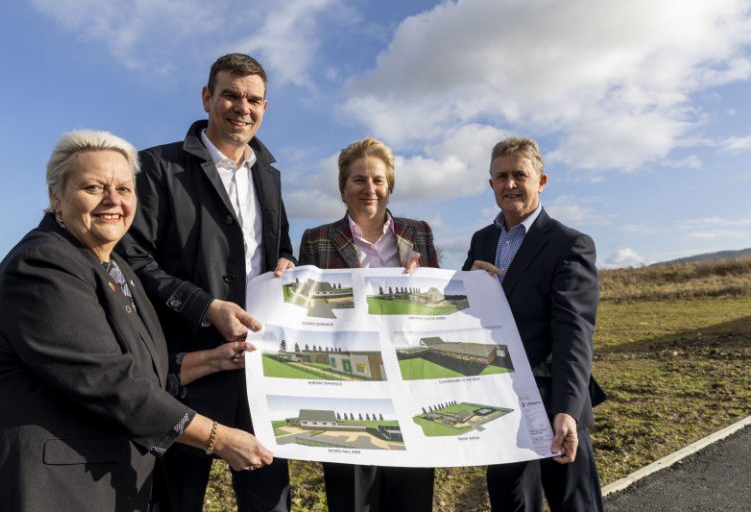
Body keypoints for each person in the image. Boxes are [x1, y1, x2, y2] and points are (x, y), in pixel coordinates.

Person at [0, 131, 273, 512]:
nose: (113, 201)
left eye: (124, 188)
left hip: (108, 481)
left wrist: (214, 360)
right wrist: (217, 437)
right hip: (57, 488)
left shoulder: (116, 267)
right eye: (93, 187)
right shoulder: (42, 265)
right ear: (57, 197)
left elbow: (141, 367)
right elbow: (108, 381)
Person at [117, 53, 295, 511]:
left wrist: (286, 264)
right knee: (176, 499)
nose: (242, 107)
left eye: (253, 99)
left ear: (265, 107)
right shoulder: (156, 168)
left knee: (269, 499)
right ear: (207, 98)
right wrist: (205, 306)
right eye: (231, 95)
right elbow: (132, 258)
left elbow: (279, 247)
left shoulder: (270, 176)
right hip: (184, 369)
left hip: (257, 370)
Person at [462, 136, 606, 511]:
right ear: (490, 183)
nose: (510, 184)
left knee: (573, 504)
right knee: (509, 502)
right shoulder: (482, 240)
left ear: (541, 181)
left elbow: (574, 331)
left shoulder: (569, 243)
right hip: (500, 401)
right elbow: (466, 315)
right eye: (501, 176)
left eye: (519, 175)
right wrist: (464, 281)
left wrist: (567, 409)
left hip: (551, 400)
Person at [298, 137, 438, 512]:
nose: (369, 189)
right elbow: (306, 315)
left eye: (377, 180)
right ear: (343, 187)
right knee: (352, 499)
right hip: (348, 389)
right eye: (358, 180)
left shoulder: (419, 233)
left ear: (389, 186)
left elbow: (440, 304)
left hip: (410, 386)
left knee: (411, 497)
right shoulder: (317, 239)